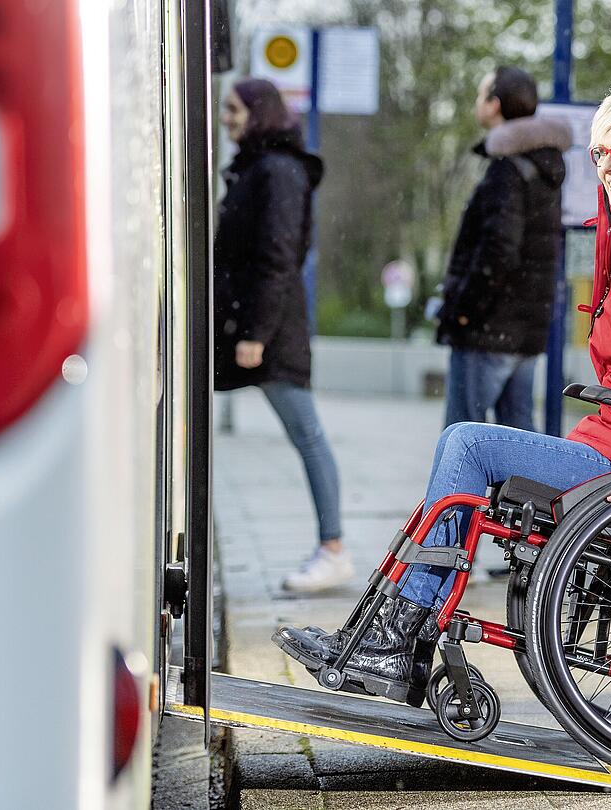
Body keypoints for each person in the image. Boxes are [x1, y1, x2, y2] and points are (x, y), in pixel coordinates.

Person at [274, 76, 611, 706]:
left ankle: (400, 639)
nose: (610, 164)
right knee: (463, 458)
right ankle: (394, 637)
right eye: (601, 152)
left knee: (468, 445)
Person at [214, 78, 354, 592]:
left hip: (266, 328)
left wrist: (255, 332)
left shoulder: (277, 172)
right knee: (306, 436)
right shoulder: (260, 168)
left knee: (308, 436)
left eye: (233, 110)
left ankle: (334, 548)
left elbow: (276, 258)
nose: (226, 118)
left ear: (259, 113)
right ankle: (332, 547)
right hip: (252, 322)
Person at [435, 66, 572, 431]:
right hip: (525, 330)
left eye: (481, 95)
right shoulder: (545, 167)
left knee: (462, 439)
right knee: (517, 446)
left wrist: (463, 310)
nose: (478, 103)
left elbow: (499, 250)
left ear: (494, 104)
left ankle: (457, 493)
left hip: (487, 329)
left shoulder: (507, 170)